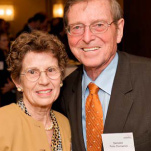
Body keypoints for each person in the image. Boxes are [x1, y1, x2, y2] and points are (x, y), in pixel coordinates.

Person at [53, 0, 151, 151]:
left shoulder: (147, 78)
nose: (87, 38)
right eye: (77, 27)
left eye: (99, 25)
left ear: (119, 30)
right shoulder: (61, 92)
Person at [0, 30, 71, 151]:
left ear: (60, 76)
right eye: (32, 72)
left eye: (51, 70)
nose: (44, 81)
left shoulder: (64, 123)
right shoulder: (3, 121)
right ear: (17, 81)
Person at [0, 31, 16, 107]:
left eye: (7, 40)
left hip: (11, 90)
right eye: (4, 40)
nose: (7, 42)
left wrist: (12, 85)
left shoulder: (9, 54)